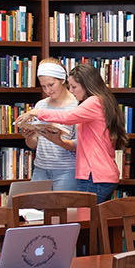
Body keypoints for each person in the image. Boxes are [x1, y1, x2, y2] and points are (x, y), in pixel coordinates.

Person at [15, 64, 125, 202]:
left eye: (74, 87)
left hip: (94, 175)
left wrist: (36, 112)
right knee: (88, 219)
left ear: (87, 85)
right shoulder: (101, 100)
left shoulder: (93, 101)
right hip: (98, 174)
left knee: (84, 219)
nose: (71, 91)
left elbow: (68, 117)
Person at [21, 58, 79, 191]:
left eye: (51, 84)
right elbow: (34, 145)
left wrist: (58, 139)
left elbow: (80, 145)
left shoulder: (77, 105)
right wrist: (28, 137)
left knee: (63, 210)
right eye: (43, 86)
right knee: (32, 209)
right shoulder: (40, 105)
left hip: (67, 170)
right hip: (41, 169)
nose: (47, 90)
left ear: (63, 80)